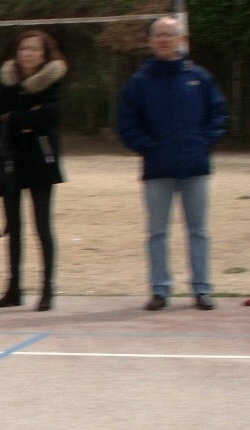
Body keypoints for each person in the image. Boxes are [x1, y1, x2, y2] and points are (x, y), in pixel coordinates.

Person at [116, 15, 228, 311]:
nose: (164, 40)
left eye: (170, 35)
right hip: (157, 169)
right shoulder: (139, 82)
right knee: (157, 232)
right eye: (159, 35)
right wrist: (149, 147)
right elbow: (127, 124)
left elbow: (218, 114)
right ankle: (160, 289)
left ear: (181, 40)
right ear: (151, 41)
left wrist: (203, 144)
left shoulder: (199, 78)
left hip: (195, 168)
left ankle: (202, 288)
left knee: (198, 231)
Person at [0, 30, 66, 311]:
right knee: (14, 226)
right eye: (23, 48)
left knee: (42, 225)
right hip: (11, 160)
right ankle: (14, 288)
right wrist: (23, 119)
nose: (28, 54)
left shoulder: (52, 81)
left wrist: (14, 117)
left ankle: (47, 288)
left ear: (44, 54)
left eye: (34, 49)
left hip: (41, 161)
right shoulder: (7, 81)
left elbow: (50, 117)